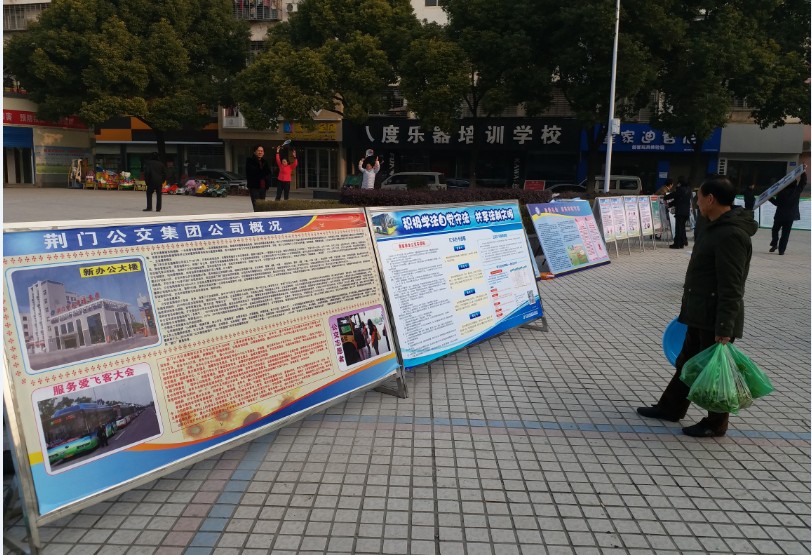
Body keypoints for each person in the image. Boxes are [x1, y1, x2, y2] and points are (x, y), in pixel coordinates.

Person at [637, 175, 758, 437]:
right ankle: (671, 407)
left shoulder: (731, 234)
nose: (697, 202)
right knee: (687, 362)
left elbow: (732, 285)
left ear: (710, 199)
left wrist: (724, 327)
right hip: (699, 311)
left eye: (699, 197)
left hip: (715, 316)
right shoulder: (713, 226)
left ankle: (716, 423)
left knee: (715, 371)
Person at [769, 171, 806, 255]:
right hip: (790, 217)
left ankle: (774, 243)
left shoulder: (781, 192)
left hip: (779, 215)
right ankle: (781, 250)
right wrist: (803, 172)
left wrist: (770, 198)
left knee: (775, 230)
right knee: (785, 234)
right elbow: (803, 183)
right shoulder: (797, 191)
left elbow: (776, 203)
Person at [665, 176, 692, 248]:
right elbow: (678, 200)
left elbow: (674, 195)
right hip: (686, 212)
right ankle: (682, 243)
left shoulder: (680, 189)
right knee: (682, 228)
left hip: (680, 211)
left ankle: (677, 244)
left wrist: (665, 197)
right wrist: (670, 204)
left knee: (678, 228)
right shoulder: (689, 189)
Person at [246, 145, 272, 211]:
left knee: (262, 206)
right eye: (258, 151)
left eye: (262, 151)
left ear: (263, 153)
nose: (260, 152)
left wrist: (267, 182)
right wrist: (263, 173)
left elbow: (268, 173)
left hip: (263, 187)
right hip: (254, 187)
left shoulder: (265, 162)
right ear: (255, 152)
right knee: (256, 206)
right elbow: (254, 172)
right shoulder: (250, 161)